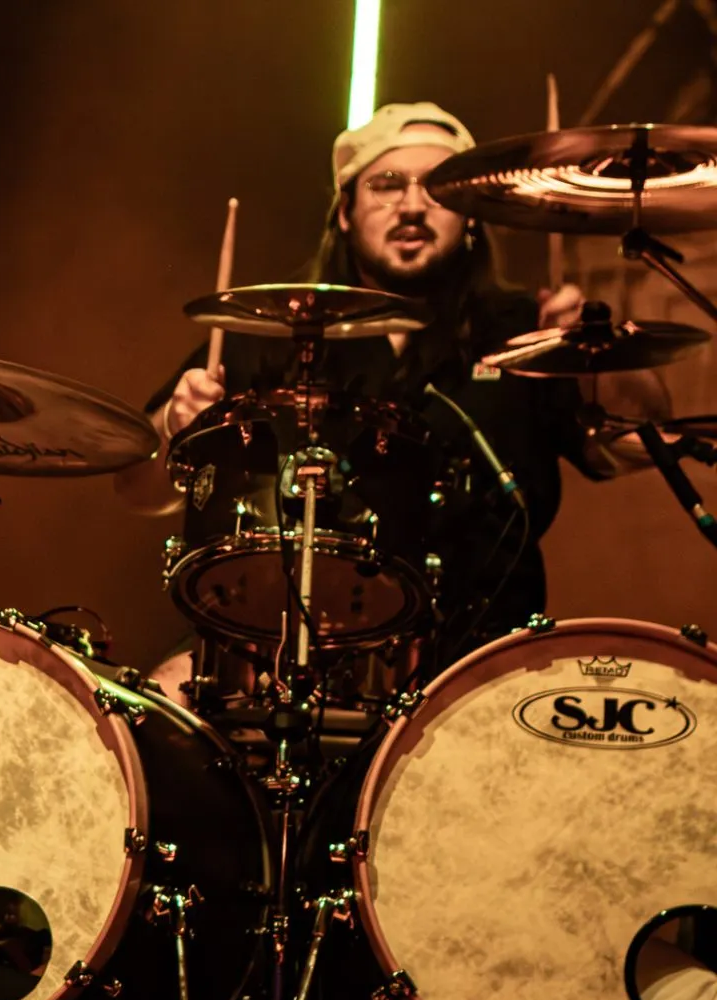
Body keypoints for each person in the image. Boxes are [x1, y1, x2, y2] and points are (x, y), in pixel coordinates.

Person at [120, 101, 669, 655]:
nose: (411, 205)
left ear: (470, 214)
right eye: (386, 184)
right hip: (292, 651)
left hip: (485, 656)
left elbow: (635, 445)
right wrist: (174, 424)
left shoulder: (526, 329)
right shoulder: (274, 328)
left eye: (436, 189)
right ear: (344, 211)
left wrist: (597, 354)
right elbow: (136, 487)